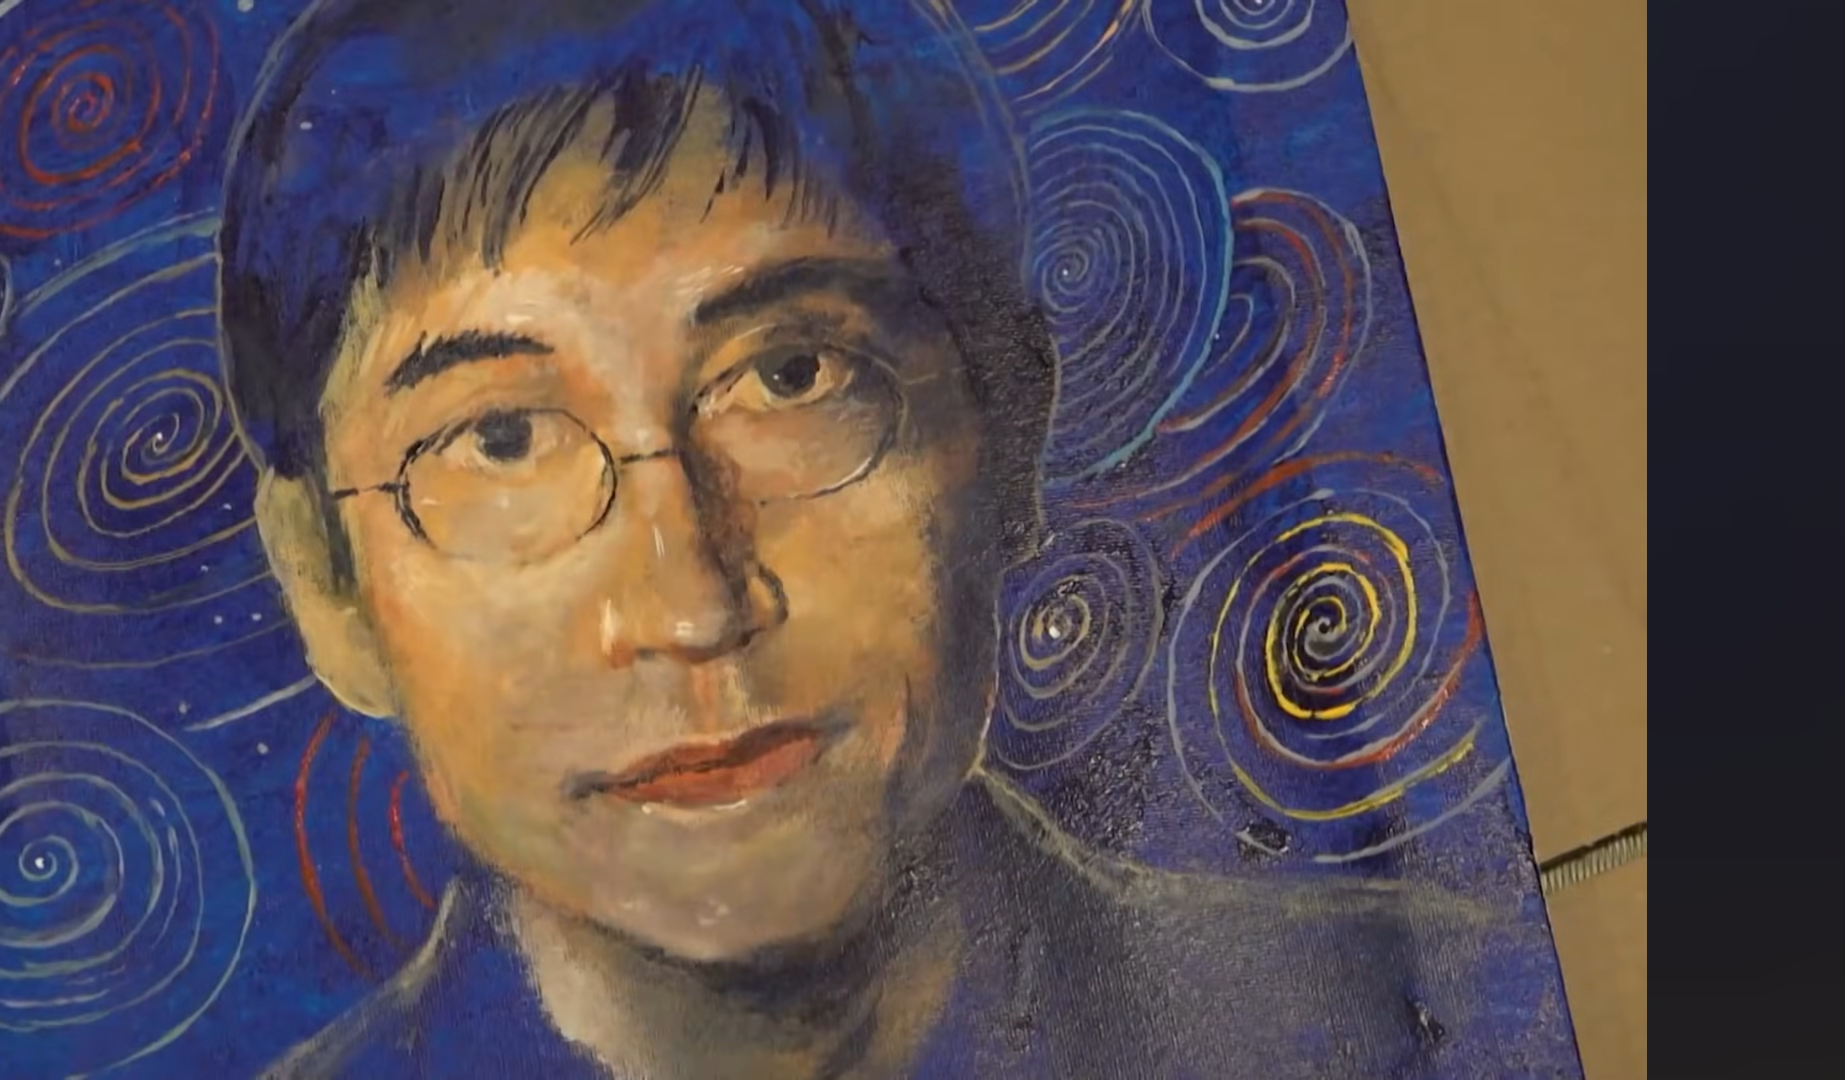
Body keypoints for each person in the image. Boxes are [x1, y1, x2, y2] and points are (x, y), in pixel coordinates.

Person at [220, 1, 1523, 1076]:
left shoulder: (1426, 1017)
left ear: (1006, 427)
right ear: (327, 584)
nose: (691, 604)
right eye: (500, 441)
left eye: (793, 376)